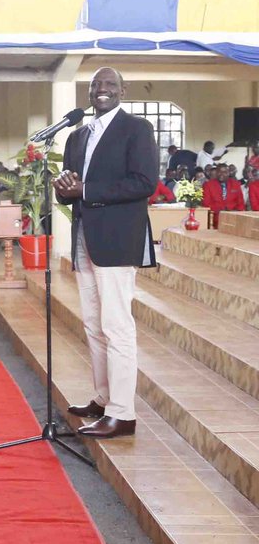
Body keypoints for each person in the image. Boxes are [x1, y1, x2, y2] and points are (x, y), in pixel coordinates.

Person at [55, 66, 157, 439]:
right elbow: (70, 187)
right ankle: (102, 397)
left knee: (116, 326)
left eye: (109, 85)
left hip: (117, 240)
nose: (101, 90)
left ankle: (122, 413)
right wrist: (64, 187)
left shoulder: (136, 130)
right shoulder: (77, 136)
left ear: (122, 91)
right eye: (95, 85)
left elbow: (144, 182)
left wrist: (85, 189)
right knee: (94, 325)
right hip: (85, 237)